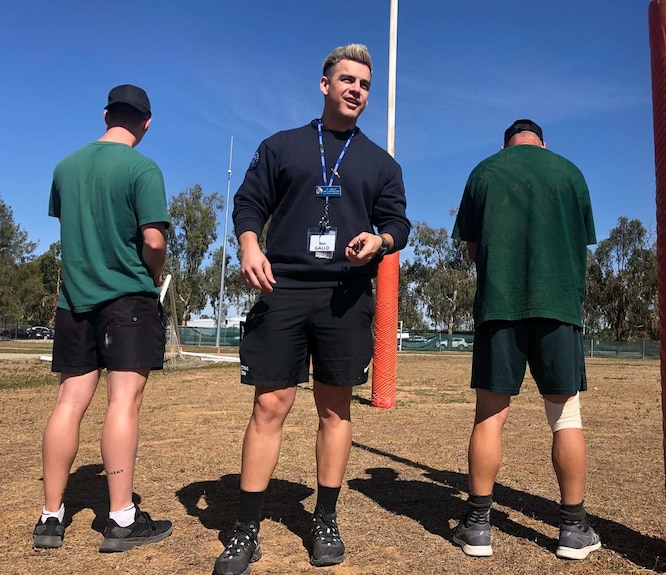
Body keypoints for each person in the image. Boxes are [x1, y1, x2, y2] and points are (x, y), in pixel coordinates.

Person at [213, 44, 409, 574]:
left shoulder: (381, 163)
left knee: (334, 409)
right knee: (270, 407)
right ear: (324, 85)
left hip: (345, 295)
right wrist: (250, 245)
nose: (357, 91)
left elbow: (398, 223)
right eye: (348, 80)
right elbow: (249, 201)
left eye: (365, 85)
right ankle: (246, 529)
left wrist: (381, 241)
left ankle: (324, 517)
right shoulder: (282, 147)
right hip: (285, 288)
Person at [450, 119, 601, 560]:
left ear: (505, 144)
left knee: (490, 415)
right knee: (565, 415)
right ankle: (573, 528)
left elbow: (473, 249)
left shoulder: (485, 171)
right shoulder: (571, 173)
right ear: (543, 143)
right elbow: (581, 242)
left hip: (500, 305)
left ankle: (477, 526)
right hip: (558, 305)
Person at [33, 84, 172, 552]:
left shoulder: (65, 168)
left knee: (70, 402)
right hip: (127, 298)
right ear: (146, 123)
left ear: (106, 113)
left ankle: (51, 516)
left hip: (74, 299)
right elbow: (154, 241)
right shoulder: (142, 168)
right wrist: (150, 281)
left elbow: (71, 225)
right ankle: (121, 518)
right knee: (122, 403)